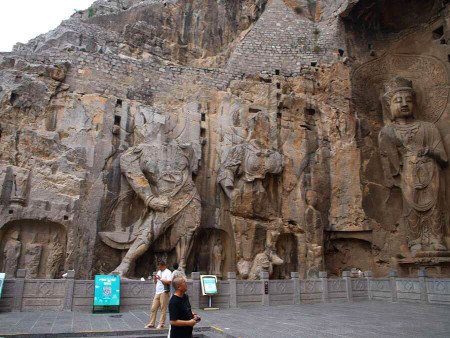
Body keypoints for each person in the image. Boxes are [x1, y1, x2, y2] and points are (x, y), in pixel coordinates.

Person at [145, 261, 172, 329]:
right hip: (157, 292)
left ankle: (161, 324)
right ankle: (151, 323)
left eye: (159, 267)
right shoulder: (159, 272)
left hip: (164, 292)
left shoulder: (168, 272)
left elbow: (169, 282)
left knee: (163, 309)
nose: (159, 268)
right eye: (158, 267)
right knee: (153, 308)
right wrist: (155, 279)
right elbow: (156, 283)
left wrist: (160, 278)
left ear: (163, 266)